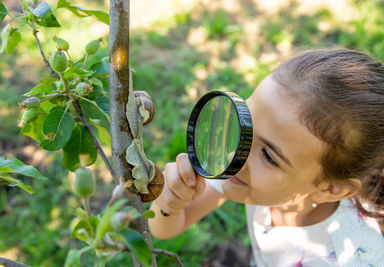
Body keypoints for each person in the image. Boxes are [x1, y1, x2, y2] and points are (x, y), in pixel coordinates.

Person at [148, 49, 384, 266]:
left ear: (331, 189)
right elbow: (165, 228)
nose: (234, 156)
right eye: (246, 124)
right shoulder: (245, 171)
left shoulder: (353, 258)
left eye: (269, 157)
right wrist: (170, 203)